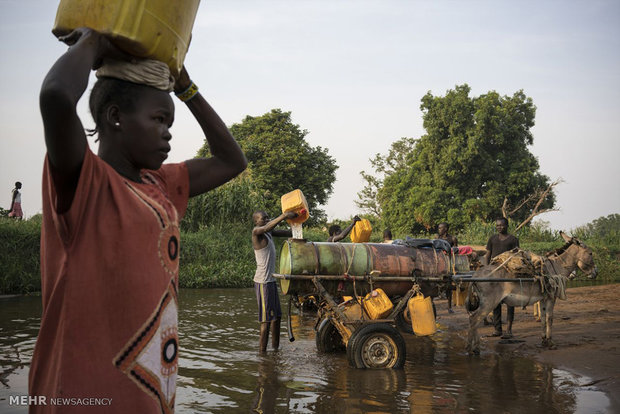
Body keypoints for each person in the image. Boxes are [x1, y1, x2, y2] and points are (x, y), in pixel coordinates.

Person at [29, 28, 247, 413]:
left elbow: (232, 161)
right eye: (160, 119)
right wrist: (94, 43)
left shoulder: (159, 184)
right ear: (115, 117)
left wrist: (187, 88)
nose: (167, 134)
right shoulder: (85, 181)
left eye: (170, 123)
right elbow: (56, 96)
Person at [252, 210, 296, 353]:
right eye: (262, 218)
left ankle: (275, 350)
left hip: (271, 282)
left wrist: (297, 222)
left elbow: (289, 233)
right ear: (256, 221)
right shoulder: (257, 233)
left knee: (276, 317)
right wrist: (284, 215)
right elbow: (266, 228)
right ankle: (262, 355)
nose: (266, 220)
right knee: (265, 322)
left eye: (267, 218)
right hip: (263, 283)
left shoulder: (269, 234)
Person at [484, 217, 520, 338]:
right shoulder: (492, 239)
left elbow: (516, 256)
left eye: (502, 225)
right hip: (495, 273)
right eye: (498, 225)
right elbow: (488, 255)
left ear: (507, 226)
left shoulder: (513, 239)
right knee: (496, 302)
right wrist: (487, 270)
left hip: (508, 274)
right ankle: (497, 329)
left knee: (510, 302)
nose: (500, 227)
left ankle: (509, 330)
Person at [436, 222, 457, 312]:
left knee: (449, 284)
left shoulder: (452, 238)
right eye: (439, 228)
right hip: (438, 263)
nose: (439, 230)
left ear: (446, 229)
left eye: (441, 228)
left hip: (448, 262)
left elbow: (456, 251)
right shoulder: (437, 238)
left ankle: (449, 307)